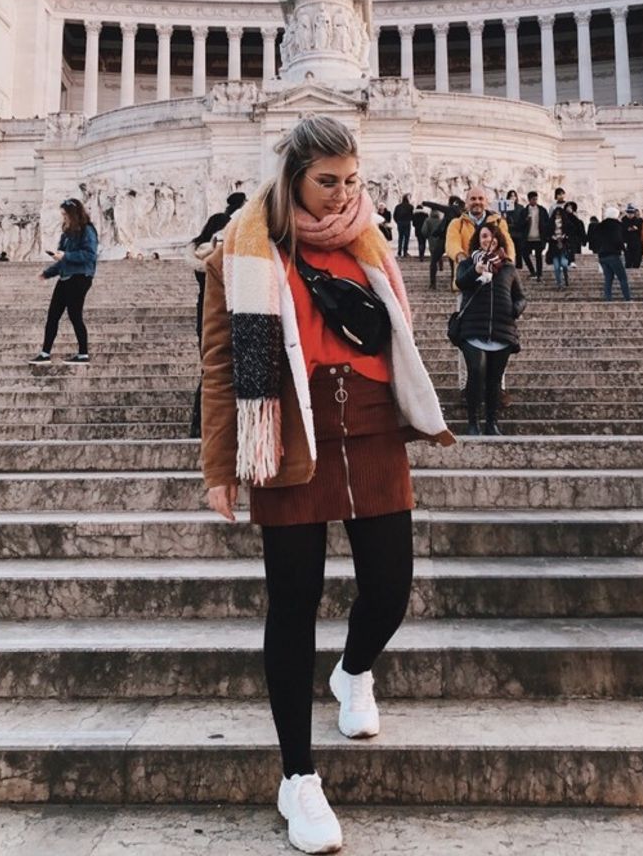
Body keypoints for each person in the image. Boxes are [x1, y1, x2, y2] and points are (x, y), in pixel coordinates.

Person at [201, 115, 453, 855]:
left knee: (392, 587)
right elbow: (220, 367)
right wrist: (221, 465)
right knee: (293, 602)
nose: (343, 194)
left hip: (371, 427)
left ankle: (352, 671)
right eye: (328, 182)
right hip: (288, 435)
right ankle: (298, 777)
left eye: (352, 179)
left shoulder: (369, 238)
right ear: (294, 177)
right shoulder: (242, 250)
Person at [454, 221, 525, 436]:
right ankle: (473, 422)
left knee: (495, 379)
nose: (488, 240)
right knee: (476, 372)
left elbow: (520, 296)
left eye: (492, 237)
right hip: (473, 328)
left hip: (501, 329)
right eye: (484, 236)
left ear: (498, 241)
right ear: (478, 239)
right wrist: (475, 271)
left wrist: (515, 309)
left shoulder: (509, 268)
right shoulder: (467, 264)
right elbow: (460, 283)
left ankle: (491, 423)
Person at [188, 193, 247, 440]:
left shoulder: (197, 254)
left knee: (211, 368)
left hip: (205, 312)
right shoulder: (220, 255)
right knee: (223, 368)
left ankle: (199, 424)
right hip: (226, 309)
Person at [29, 198, 98, 363]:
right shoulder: (66, 234)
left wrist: (66, 255)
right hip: (66, 277)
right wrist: (47, 273)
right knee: (53, 315)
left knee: (75, 315)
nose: (63, 218)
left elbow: (89, 255)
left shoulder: (87, 230)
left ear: (73, 214)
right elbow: (62, 260)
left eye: (65, 214)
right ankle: (45, 353)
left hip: (81, 277)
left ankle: (83, 354)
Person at [446, 187, 515, 289]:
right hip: (467, 279)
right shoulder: (456, 224)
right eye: (473, 199)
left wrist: (508, 264)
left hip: (495, 281)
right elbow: (451, 243)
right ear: (466, 202)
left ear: (486, 202)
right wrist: (461, 257)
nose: (477, 202)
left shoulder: (498, 222)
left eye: (480, 198)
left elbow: (508, 244)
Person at [422, 197, 462, 290]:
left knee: (434, 261)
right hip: (453, 240)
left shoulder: (449, 209)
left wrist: (425, 203)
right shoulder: (461, 211)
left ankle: (432, 284)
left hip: (443, 239)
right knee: (453, 264)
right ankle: (453, 284)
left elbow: (436, 206)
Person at [595, 206, 631, 301]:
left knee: (608, 279)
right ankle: (627, 298)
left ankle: (608, 299)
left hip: (602, 255)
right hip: (613, 254)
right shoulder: (616, 225)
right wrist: (624, 248)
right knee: (622, 278)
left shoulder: (600, 225)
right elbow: (617, 239)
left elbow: (595, 240)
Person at [516, 191, 549, 282]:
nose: (535, 201)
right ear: (529, 200)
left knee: (539, 256)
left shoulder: (542, 210)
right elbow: (519, 225)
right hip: (527, 238)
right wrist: (526, 220)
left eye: (536, 199)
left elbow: (547, 223)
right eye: (533, 199)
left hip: (539, 237)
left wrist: (546, 237)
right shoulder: (524, 211)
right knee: (525, 254)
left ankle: (539, 274)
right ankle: (532, 271)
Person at [545, 205, 572, 290]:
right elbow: (547, 234)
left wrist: (565, 236)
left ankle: (566, 276)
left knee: (564, 264)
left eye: (559, 215)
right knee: (556, 267)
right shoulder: (550, 224)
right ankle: (559, 284)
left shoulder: (566, 224)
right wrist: (551, 237)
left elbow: (571, 232)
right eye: (556, 215)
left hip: (563, 246)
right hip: (554, 247)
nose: (558, 217)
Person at [501, 190, 527, 268]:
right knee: (509, 249)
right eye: (510, 196)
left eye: (514, 196)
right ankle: (509, 265)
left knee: (519, 250)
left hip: (518, 232)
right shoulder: (505, 208)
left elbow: (523, 220)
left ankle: (519, 266)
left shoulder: (520, 207)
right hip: (509, 232)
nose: (512, 198)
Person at [622, 205, 643, 269]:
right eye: (629, 213)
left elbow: (642, 230)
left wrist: (637, 229)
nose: (630, 215)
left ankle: (635, 266)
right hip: (627, 241)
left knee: (637, 257)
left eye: (631, 213)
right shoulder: (624, 220)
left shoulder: (639, 220)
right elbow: (622, 231)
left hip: (637, 242)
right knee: (628, 257)